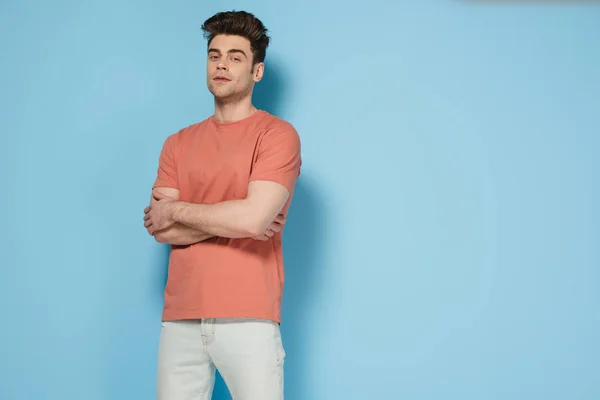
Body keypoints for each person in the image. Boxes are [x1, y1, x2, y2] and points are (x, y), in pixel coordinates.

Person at [142, 10, 301, 400]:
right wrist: (240, 216)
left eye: (235, 56)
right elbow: (160, 228)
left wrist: (180, 210)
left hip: (248, 315)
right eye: (215, 55)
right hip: (180, 316)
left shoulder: (276, 135)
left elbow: (250, 218)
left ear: (257, 71)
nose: (222, 64)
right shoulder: (177, 143)